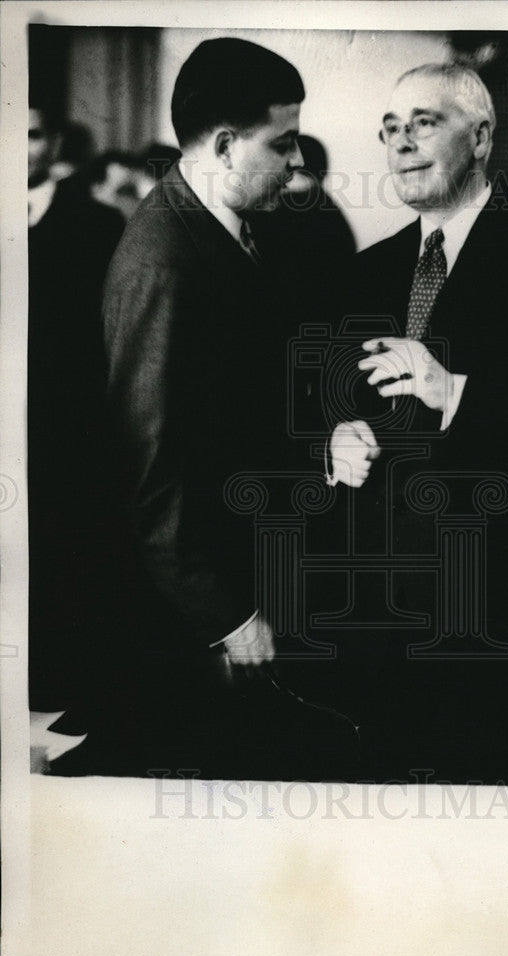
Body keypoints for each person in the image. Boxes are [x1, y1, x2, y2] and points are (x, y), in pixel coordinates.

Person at [77, 37, 357, 778]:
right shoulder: (163, 259)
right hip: (189, 619)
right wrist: (230, 619)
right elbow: (151, 472)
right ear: (228, 145)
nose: (299, 165)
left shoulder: (216, 225)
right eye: (285, 144)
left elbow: (231, 409)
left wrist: (317, 447)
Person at [321, 64, 508, 782]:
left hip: (506, 614)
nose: (401, 145)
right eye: (389, 130)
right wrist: (338, 438)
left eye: (423, 122)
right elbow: (341, 404)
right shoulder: (365, 271)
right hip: (383, 615)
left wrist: (452, 389)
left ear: (480, 136)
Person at [27, 104, 125, 741]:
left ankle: (55, 684)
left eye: (31, 134)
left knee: (60, 549)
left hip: (64, 428)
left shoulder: (94, 223)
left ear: (54, 142)